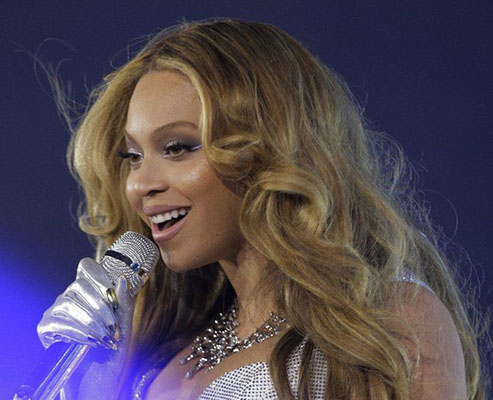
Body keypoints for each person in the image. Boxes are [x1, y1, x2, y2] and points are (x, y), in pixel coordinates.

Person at [36, 18, 487, 399]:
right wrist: (93, 381)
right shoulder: (162, 352)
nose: (140, 185)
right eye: (133, 156)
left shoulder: (383, 323)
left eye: (177, 148)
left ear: (267, 150)